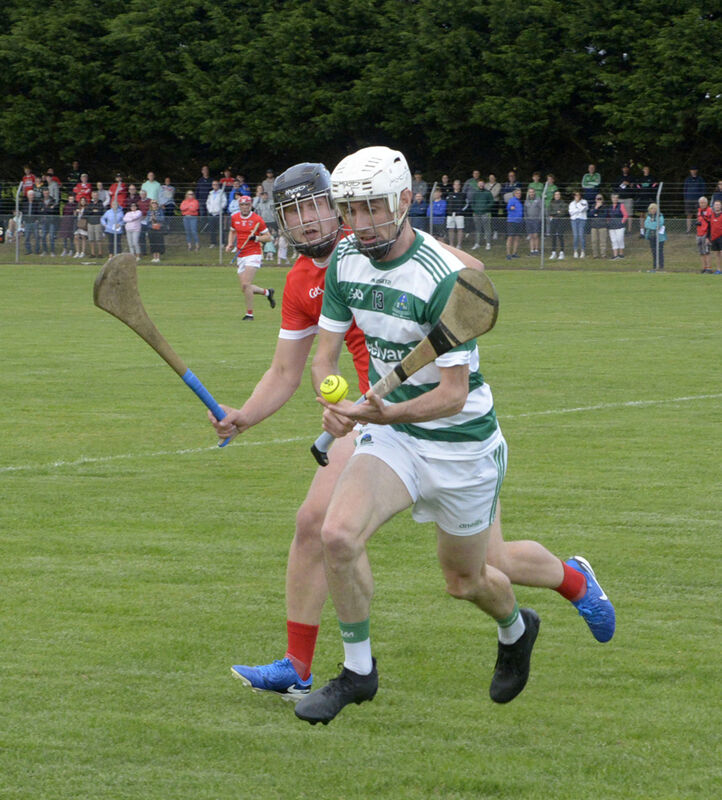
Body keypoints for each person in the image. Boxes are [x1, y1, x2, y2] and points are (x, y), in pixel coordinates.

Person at [212, 158, 614, 707]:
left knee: (481, 570)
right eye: (293, 212)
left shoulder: (425, 261)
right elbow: (292, 368)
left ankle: (571, 581)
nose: (307, 221)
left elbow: (476, 296)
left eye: (315, 206)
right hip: (376, 419)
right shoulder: (314, 276)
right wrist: (251, 415)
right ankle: (309, 667)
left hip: (440, 424)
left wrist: (429, 268)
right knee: (322, 527)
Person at [225, 195, 275, 320]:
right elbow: (232, 231)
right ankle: (267, 292)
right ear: (239, 206)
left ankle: (249, 314)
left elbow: (269, 237)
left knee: (247, 284)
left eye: (247, 205)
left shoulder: (257, 219)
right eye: (242, 205)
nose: (245, 207)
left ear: (250, 205)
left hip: (254, 254)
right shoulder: (234, 218)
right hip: (241, 254)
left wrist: (257, 238)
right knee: (244, 287)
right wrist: (230, 243)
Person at [470, 179, 494, 250]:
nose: (481, 185)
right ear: (478, 185)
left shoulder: (488, 192)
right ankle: (477, 243)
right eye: (479, 184)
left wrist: (485, 208)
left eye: (482, 184)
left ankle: (488, 243)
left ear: (484, 184)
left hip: (485, 213)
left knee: (487, 229)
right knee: (477, 229)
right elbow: (472, 203)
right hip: (477, 213)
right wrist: (475, 209)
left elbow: (491, 202)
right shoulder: (475, 193)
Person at [635, 166, 658, 237]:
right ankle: (642, 232)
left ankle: (650, 231)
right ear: (643, 170)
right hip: (642, 199)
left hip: (649, 199)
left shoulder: (652, 178)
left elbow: (654, 186)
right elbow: (637, 187)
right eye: (645, 169)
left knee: (650, 215)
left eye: (647, 169)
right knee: (642, 215)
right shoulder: (640, 179)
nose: (646, 170)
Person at [643, 203, 666, 272]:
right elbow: (646, 224)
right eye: (651, 208)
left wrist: (652, 225)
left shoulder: (660, 216)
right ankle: (655, 266)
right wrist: (654, 227)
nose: (653, 210)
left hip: (660, 237)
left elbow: (660, 224)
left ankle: (661, 266)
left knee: (660, 251)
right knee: (654, 251)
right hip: (651, 236)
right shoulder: (648, 216)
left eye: (654, 208)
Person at [445, 179, 466, 248]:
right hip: (450, 215)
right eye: (455, 184)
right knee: (451, 229)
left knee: (460, 229)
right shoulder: (450, 194)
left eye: (458, 184)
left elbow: (466, 204)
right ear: (453, 186)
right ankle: (451, 244)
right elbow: (447, 203)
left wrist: (461, 210)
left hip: (459, 215)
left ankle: (459, 244)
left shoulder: (462, 195)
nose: (456, 186)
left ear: (460, 186)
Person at [683, 168, 705, 234]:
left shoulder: (700, 179)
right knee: (689, 215)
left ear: (696, 171)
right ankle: (688, 230)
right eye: (691, 170)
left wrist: (701, 199)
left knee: (698, 215)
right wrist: (686, 199)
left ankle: (699, 229)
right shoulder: (687, 179)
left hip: (698, 200)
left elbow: (703, 189)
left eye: (694, 170)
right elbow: (685, 189)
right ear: (690, 171)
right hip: (689, 200)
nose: (693, 171)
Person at [614, 164, 635, 232]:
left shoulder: (631, 177)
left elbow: (634, 187)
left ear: (628, 169)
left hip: (628, 198)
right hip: (620, 198)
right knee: (620, 214)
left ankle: (629, 230)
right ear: (622, 169)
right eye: (624, 168)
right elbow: (615, 187)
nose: (625, 169)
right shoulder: (618, 177)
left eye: (626, 168)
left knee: (629, 214)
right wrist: (622, 183)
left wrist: (628, 183)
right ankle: (621, 228)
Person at [206, 180, 227, 247]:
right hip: (211, 213)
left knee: (221, 229)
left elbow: (224, 201)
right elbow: (208, 202)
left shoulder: (222, 192)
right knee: (212, 229)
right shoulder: (210, 193)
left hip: (219, 214)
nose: (215, 186)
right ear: (212, 186)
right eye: (213, 184)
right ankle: (213, 242)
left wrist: (219, 209)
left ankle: (222, 242)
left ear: (218, 185)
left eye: (216, 184)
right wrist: (210, 210)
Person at [39, 187, 59, 256]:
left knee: (51, 236)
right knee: (43, 236)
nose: (46, 194)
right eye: (44, 193)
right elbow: (39, 211)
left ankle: (52, 251)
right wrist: (49, 209)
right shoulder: (41, 201)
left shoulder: (53, 201)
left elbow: (54, 211)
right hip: (44, 221)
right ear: (43, 193)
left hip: (51, 221)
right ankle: (45, 250)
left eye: (47, 193)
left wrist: (44, 209)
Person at [587, 193, 608, 259]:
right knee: (594, 241)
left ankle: (603, 255)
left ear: (602, 200)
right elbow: (590, 214)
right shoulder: (593, 206)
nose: (598, 200)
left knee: (603, 241)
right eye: (597, 198)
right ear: (595, 199)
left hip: (602, 226)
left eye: (600, 198)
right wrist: (596, 208)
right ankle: (595, 255)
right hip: (594, 226)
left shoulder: (605, 206)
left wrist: (596, 214)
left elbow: (604, 216)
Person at [607, 193, 628, 260]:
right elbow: (608, 216)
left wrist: (622, 222)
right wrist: (608, 222)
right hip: (612, 226)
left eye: (616, 198)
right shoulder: (610, 207)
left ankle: (621, 254)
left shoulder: (621, 205)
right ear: (611, 198)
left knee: (619, 239)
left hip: (620, 226)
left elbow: (625, 215)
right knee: (613, 240)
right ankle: (615, 255)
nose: (615, 199)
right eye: (613, 198)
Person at [85, 191, 106, 257]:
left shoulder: (100, 203)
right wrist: (93, 211)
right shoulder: (89, 204)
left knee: (98, 238)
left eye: (96, 195)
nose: (95, 196)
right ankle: (92, 253)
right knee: (91, 239)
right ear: (92, 195)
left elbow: (101, 211)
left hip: (98, 223)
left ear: (98, 196)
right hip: (90, 223)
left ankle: (100, 253)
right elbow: (86, 212)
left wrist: (93, 211)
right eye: (93, 195)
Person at [21, 189, 42, 255]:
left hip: (34, 222)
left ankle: (37, 250)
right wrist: (22, 221)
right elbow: (23, 213)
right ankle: (28, 250)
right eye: (30, 195)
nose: (31, 196)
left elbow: (38, 212)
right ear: (28, 196)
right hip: (27, 222)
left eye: (32, 195)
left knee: (36, 236)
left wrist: (38, 220)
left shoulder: (36, 203)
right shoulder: (25, 204)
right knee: (27, 237)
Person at [547, 189, 566, 260]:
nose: (557, 196)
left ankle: (562, 252)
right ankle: (553, 252)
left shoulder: (563, 203)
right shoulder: (551, 203)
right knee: (553, 236)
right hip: (553, 221)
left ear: (560, 196)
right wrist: (557, 212)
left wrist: (555, 213)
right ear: (554, 196)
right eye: (556, 194)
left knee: (560, 236)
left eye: (558, 194)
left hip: (561, 221)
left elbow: (563, 212)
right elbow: (549, 212)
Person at [568, 190, 588, 258]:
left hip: (582, 219)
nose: (577, 196)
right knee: (575, 236)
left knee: (581, 235)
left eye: (578, 195)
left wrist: (577, 207)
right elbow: (571, 212)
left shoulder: (584, 201)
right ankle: (575, 251)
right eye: (575, 195)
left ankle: (582, 251)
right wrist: (578, 210)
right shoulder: (571, 203)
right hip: (574, 220)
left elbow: (584, 209)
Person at [505, 187, 523, 259]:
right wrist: (511, 208)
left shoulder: (519, 202)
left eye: (520, 193)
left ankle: (514, 253)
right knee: (510, 238)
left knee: (517, 238)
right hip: (512, 221)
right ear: (514, 194)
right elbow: (509, 207)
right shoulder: (512, 200)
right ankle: (508, 254)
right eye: (517, 193)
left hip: (519, 222)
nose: (519, 195)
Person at [524, 187, 542, 255]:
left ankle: (536, 250)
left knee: (536, 235)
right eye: (530, 192)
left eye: (532, 192)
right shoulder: (526, 200)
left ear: (534, 192)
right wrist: (526, 218)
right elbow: (525, 210)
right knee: (531, 236)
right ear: (528, 193)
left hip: (536, 220)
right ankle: (532, 250)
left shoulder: (538, 199)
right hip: (529, 220)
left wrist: (539, 218)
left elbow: (541, 209)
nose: (531, 193)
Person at [706, 200, 722, 273]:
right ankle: (719, 269)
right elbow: (709, 227)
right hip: (714, 237)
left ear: (720, 206)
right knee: (716, 254)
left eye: (718, 205)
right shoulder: (711, 215)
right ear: (714, 206)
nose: (717, 206)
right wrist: (707, 237)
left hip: (721, 236)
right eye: (716, 205)